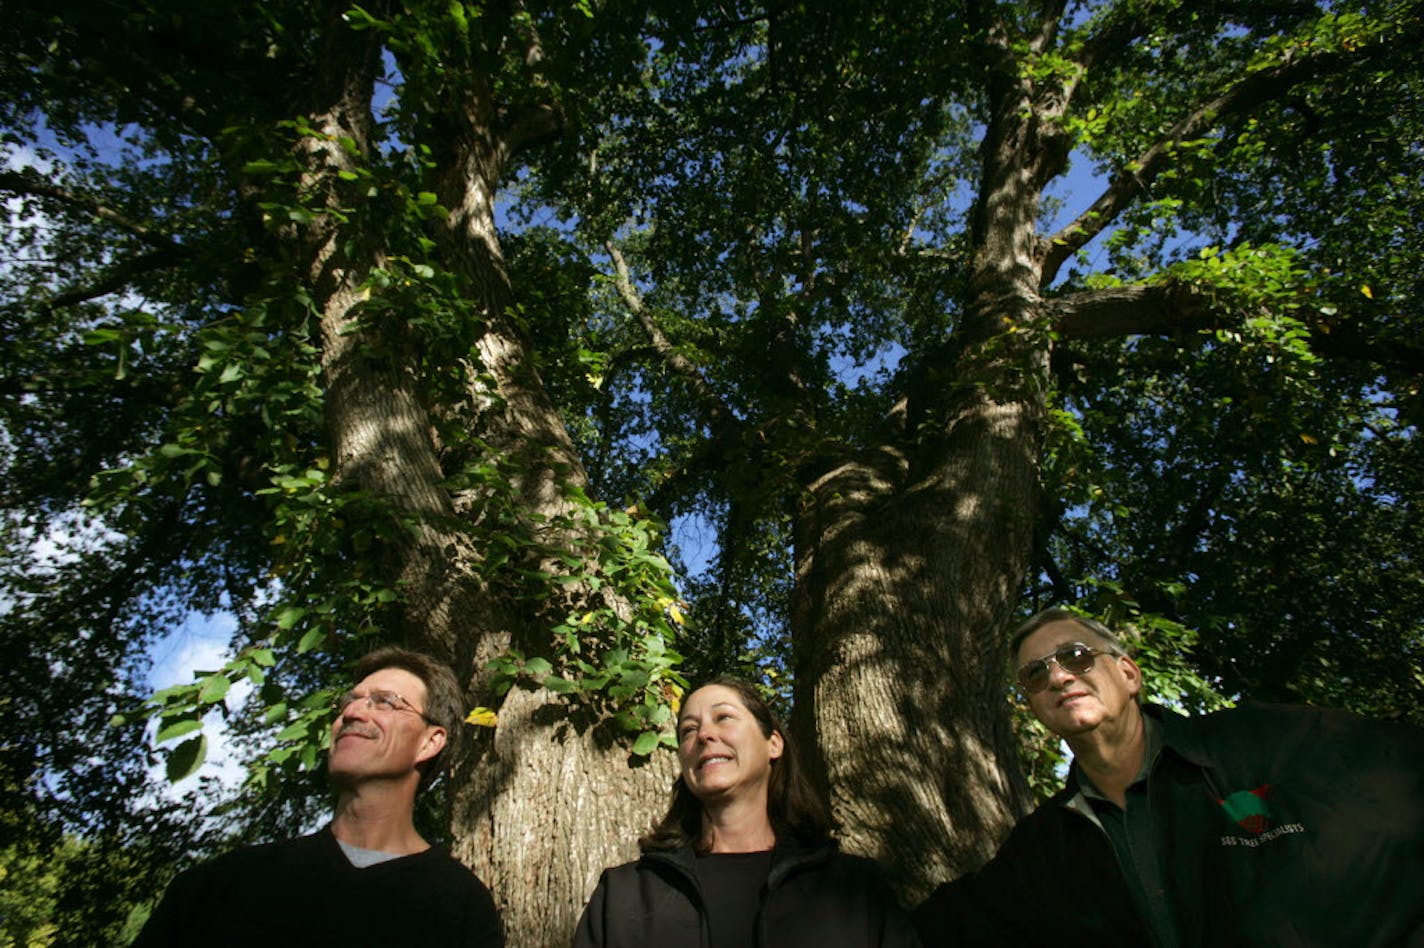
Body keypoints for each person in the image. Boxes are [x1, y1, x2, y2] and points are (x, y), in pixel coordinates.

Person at [914, 607, 1424, 947]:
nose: (1059, 676)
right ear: (1033, 706)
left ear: (1129, 674)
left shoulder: (1262, 741)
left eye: (1075, 656)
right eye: (1035, 675)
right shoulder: (1045, 844)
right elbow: (954, 924)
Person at [135, 645, 504, 947]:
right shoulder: (220, 885)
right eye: (350, 701)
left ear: (430, 741)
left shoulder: (461, 908)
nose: (352, 712)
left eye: (385, 701)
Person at [573, 676, 920, 948]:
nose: (705, 734)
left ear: (774, 743)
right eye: (688, 730)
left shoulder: (855, 887)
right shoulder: (622, 895)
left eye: (723, 717)